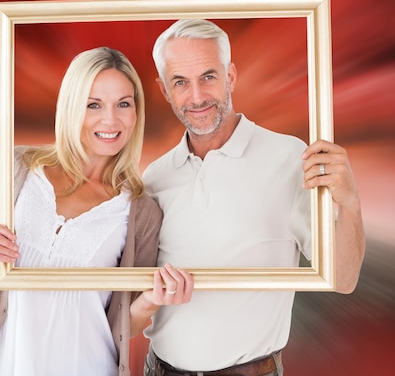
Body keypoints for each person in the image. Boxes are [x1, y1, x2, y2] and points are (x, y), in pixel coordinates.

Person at [142, 20, 365, 376]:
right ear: (165, 90)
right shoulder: (154, 177)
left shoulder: (290, 158)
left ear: (230, 76)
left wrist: (350, 203)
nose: (196, 96)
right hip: (159, 369)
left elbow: (343, 279)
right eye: (180, 82)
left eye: (209, 76)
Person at [0, 46, 194, 376]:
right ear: (70, 107)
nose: (110, 120)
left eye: (123, 104)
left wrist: (154, 299)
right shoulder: (15, 167)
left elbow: (123, 323)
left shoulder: (141, 212)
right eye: (93, 104)